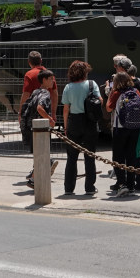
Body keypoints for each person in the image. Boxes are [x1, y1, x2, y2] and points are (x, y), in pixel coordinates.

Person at [60, 60, 100, 195]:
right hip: (89, 122)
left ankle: (68, 188)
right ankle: (90, 188)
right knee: (90, 156)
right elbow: (99, 100)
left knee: (71, 157)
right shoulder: (91, 84)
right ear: (85, 72)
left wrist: (66, 127)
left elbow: (66, 109)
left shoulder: (68, 87)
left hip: (73, 122)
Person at [106, 71, 140, 197]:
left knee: (118, 157)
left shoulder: (117, 93)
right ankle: (131, 185)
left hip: (120, 128)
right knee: (131, 156)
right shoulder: (136, 91)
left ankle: (121, 184)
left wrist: (111, 92)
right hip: (134, 127)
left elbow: (108, 108)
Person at [21, 69, 57, 187]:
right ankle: (33, 179)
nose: (53, 81)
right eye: (51, 79)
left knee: (39, 154)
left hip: (32, 128)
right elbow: (40, 108)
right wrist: (50, 119)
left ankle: (35, 176)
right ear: (44, 80)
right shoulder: (45, 93)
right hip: (41, 128)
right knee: (43, 155)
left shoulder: (35, 91)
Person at [19, 51, 59, 146]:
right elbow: (55, 94)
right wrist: (53, 113)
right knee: (45, 139)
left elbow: (25, 95)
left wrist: (21, 113)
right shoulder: (49, 74)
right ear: (41, 60)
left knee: (35, 141)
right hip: (46, 111)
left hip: (33, 113)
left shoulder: (29, 74)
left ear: (29, 62)